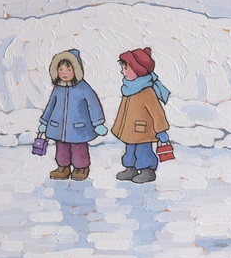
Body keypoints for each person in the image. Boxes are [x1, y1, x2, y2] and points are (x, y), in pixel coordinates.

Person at [38, 49, 107, 181]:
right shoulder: (58, 88)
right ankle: (63, 167)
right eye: (61, 69)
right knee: (61, 148)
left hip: (79, 127)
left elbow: (93, 105)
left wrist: (98, 123)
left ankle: (81, 167)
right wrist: (44, 121)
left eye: (68, 69)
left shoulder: (84, 88)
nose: (64, 73)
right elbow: (50, 106)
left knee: (79, 148)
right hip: (59, 127)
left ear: (76, 70)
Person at [112, 47, 171, 184]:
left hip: (142, 130)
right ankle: (130, 168)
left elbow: (157, 112)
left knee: (143, 151)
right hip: (129, 130)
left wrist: (161, 130)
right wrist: (120, 126)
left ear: (137, 70)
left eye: (126, 68)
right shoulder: (128, 89)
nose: (122, 71)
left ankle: (147, 171)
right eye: (123, 68)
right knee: (130, 150)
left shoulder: (147, 91)